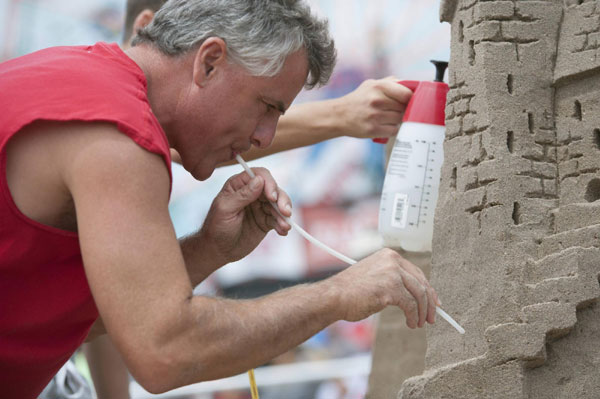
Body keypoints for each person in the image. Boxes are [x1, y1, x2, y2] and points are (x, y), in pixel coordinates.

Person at [0, 1, 440, 397]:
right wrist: (341, 294)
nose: (263, 137)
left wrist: (208, 248)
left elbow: (79, 323)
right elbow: (163, 351)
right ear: (209, 62)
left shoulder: (78, 80)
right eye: (267, 106)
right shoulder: (119, 133)